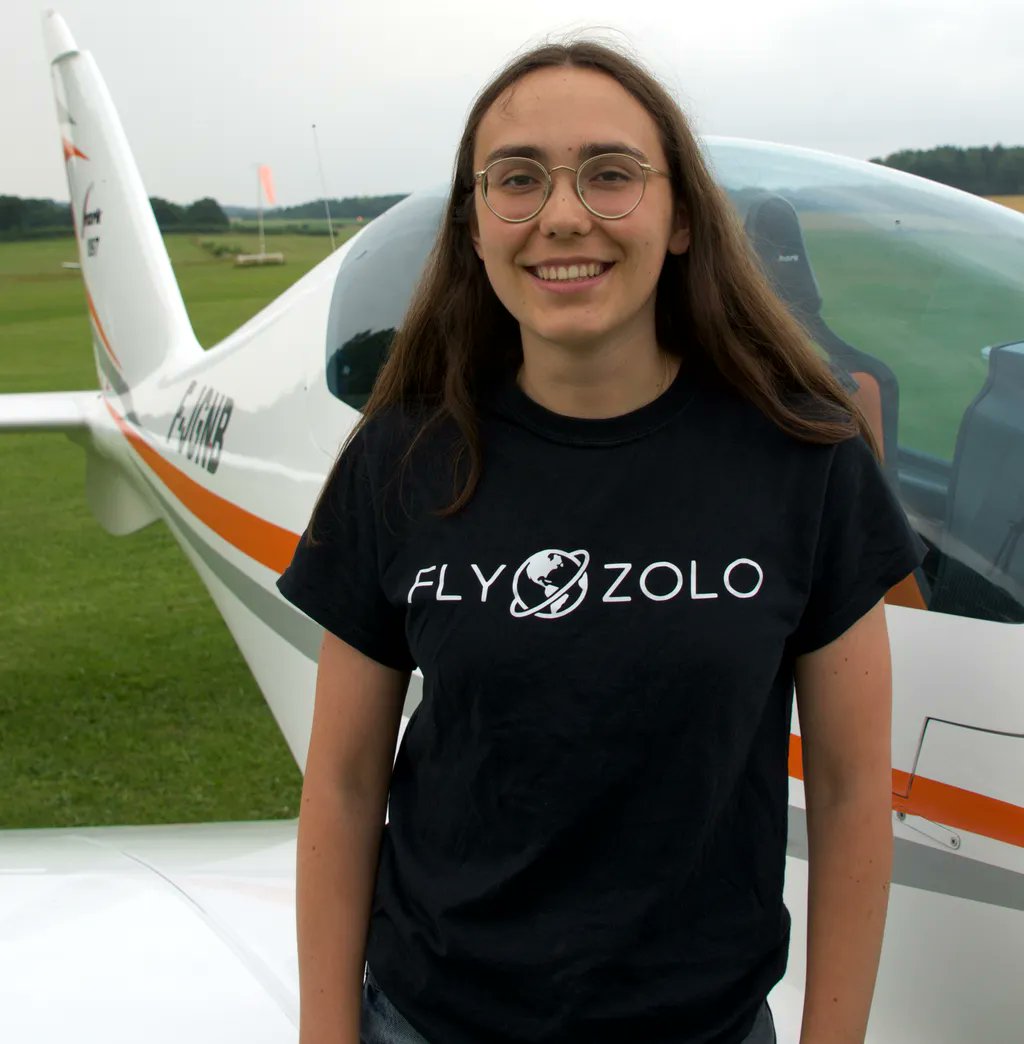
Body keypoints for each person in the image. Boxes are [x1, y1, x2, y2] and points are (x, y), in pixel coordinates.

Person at [277, 38, 923, 1044]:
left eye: (611, 175)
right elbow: (347, 783)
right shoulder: (401, 460)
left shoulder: (808, 459)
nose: (563, 216)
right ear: (476, 224)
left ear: (677, 220)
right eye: (518, 180)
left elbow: (847, 794)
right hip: (433, 1021)